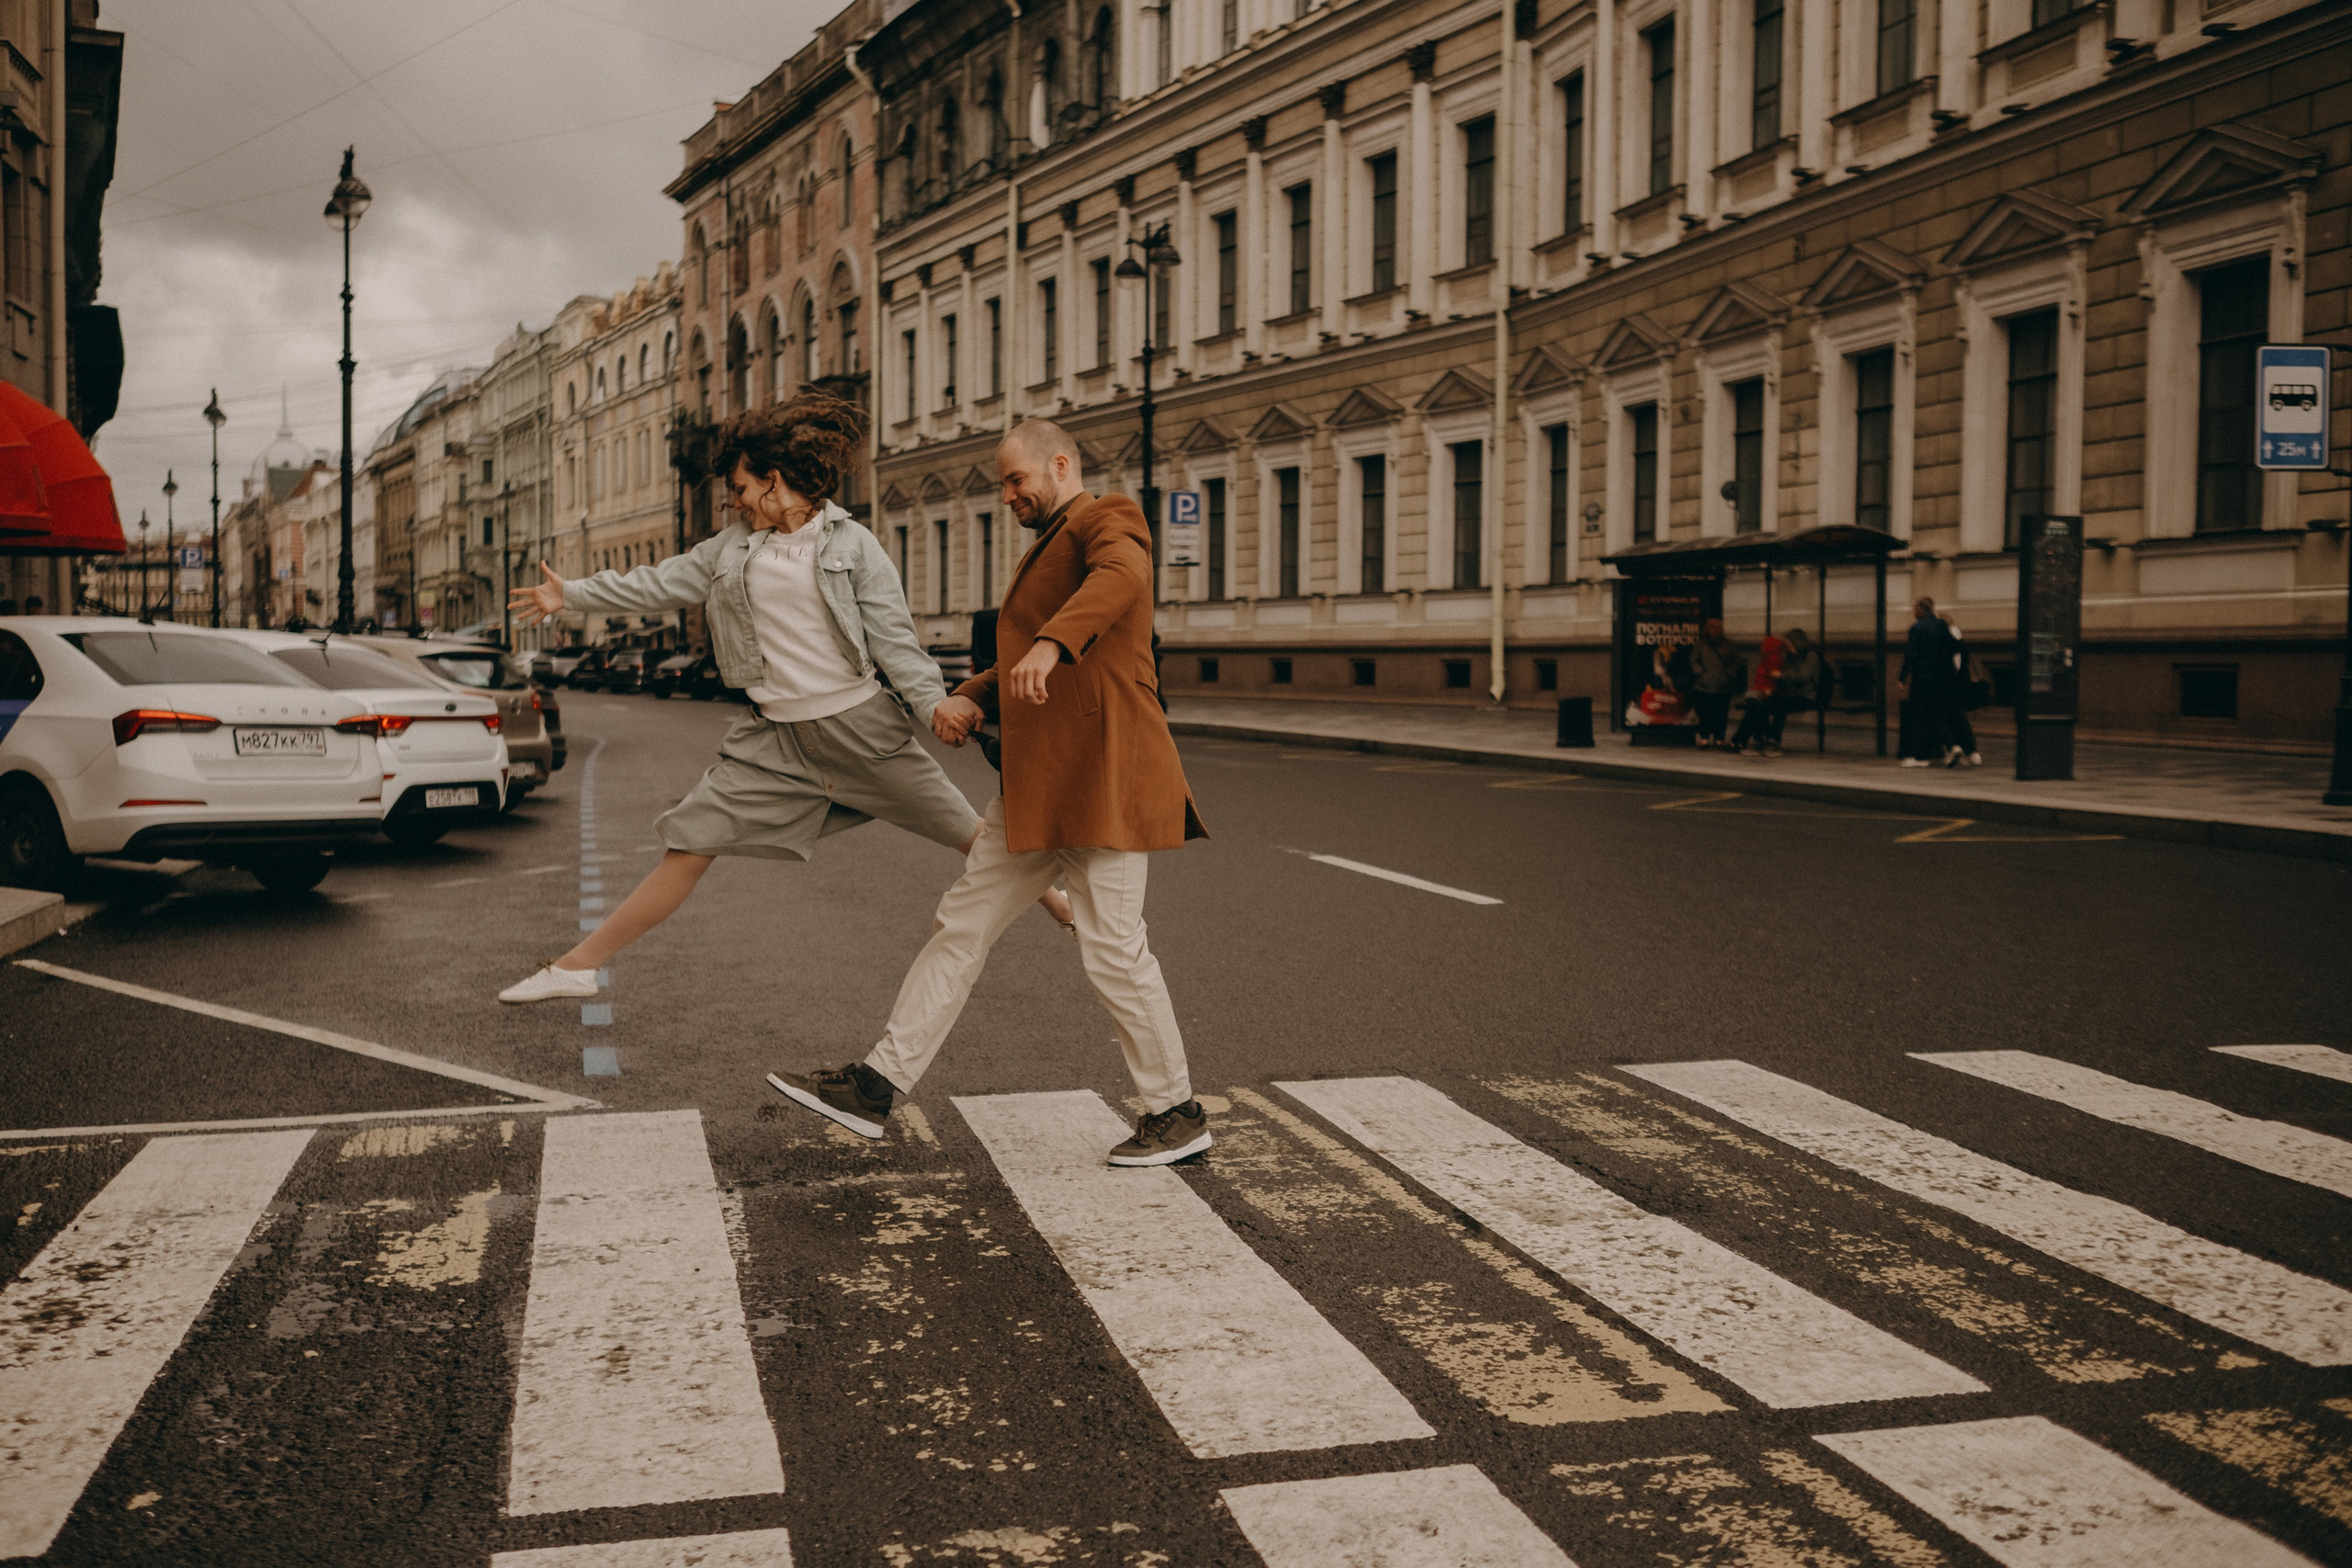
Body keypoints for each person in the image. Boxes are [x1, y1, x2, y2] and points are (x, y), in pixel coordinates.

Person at [494, 390, 1070, 1004]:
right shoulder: (732, 550)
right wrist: (572, 595)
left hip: (860, 732)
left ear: (775, 480)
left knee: (965, 830)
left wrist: (935, 705)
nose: (735, 501)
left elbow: (897, 643)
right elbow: (656, 583)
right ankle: (578, 965)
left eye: (742, 488)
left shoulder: (854, 547)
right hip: (773, 741)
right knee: (690, 842)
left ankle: (1064, 906)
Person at [768, 418, 1213, 1168]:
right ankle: (876, 1086)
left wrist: (1050, 642)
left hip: (1103, 779)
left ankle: (1176, 1111)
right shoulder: (1046, 544)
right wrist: (973, 694)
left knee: (1113, 951)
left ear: (1061, 464)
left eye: (1016, 480)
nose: (1006, 495)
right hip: (1038, 788)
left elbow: (1121, 583)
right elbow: (1024, 657)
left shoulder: (1110, 520)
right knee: (962, 923)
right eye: (1003, 483)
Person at [1898, 597, 1965, 768]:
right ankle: (1953, 746)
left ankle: (1921, 757)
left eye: (1915, 607)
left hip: (1922, 679)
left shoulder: (1917, 628)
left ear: (1921, 609)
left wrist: (1903, 677)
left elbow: (1911, 655)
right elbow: (1955, 647)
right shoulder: (1942, 626)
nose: (1913, 611)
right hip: (1941, 680)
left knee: (1919, 716)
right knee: (1938, 714)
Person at [1685, 619, 1745, 749]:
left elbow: (1737, 660)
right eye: (1711, 628)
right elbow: (1694, 660)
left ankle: (1719, 737)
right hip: (1704, 684)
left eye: (1716, 628)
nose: (1714, 630)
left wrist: (1730, 674)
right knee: (1705, 712)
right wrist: (1700, 672)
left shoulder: (1728, 645)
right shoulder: (1702, 645)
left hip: (1722, 684)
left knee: (1721, 713)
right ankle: (1705, 737)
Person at [1727, 633, 1785, 756]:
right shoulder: (1766, 658)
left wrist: (1767, 690)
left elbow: (1773, 679)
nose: (1761, 647)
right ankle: (1743, 740)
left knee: (1753, 710)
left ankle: (1740, 740)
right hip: (1761, 692)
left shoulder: (1773, 659)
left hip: (1767, 693)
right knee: (1753, 709)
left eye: (1763, 645)